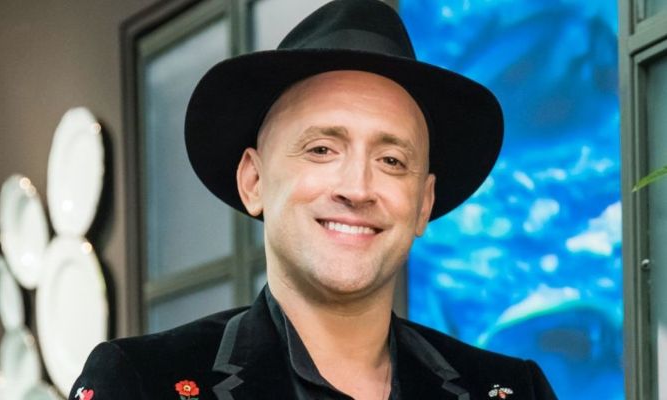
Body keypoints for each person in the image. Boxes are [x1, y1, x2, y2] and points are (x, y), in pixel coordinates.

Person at [69, 0, 557, 399]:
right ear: (254, 181)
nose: (357, 188)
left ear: (423, 203)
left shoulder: (510, 389)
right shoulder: (143, 381)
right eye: (322, 149)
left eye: (391, 160)